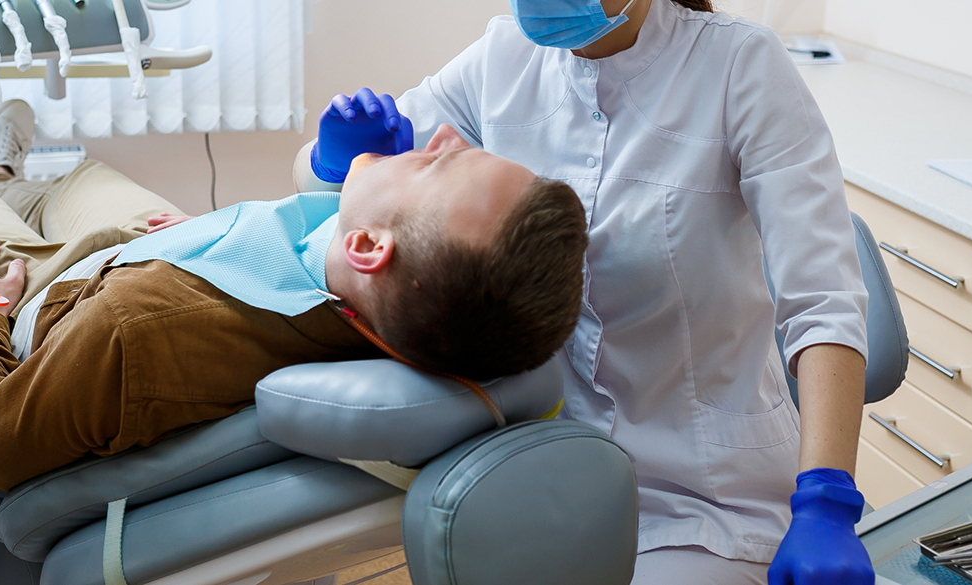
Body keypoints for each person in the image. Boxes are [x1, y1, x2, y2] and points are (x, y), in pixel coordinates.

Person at [296, 1, 874, 583]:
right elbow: (360, 196)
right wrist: (335, 156)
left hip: (706, 503)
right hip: (548, 484)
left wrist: (826, 498)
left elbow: (823, 298)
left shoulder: (738, 65)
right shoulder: (503, 59)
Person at [0, 88, 590, 491]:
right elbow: (324, 232)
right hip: (157, 244)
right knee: (81, 179)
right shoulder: (374, 289)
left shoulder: (137, 336)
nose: (444, 135)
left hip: (48, 301)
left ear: (370, 246)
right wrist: (346, 173)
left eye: (444, 163)